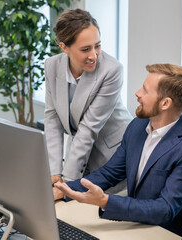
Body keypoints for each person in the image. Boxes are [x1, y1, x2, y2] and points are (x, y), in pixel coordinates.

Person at [54, 63, 182, 236]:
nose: (137, 93)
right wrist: (63, 190)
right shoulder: (138, 125)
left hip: (165, 233)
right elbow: (110, 173)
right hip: (133, 225)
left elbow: (165, 209)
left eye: (145, 91)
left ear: (165, 103)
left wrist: (105, 201)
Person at [44, 9, 132, 184]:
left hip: (112, 155)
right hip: (77, 153)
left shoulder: (112, 70)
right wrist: (55, 173)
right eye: (85, 49)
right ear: (64, 47)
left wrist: (68, 180)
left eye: (97, 46)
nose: (94, 55)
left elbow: (88, 128)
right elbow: (52, 119)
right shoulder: (52, 65)